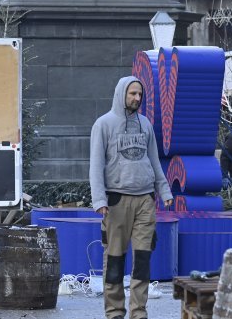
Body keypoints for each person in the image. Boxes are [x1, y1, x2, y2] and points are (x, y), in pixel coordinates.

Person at [89, 76, 173, 319]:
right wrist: (99, 200)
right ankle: (115, 313)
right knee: (114, 262)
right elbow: (96, 165)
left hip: (145, 201)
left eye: (139, 94)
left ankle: (139, 314)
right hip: (115, 202)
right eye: (132, 94)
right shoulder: (103, 124)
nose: (137, 98)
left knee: (143, 262)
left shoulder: (145, 124)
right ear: (121, 94)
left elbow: (154, 160)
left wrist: (164, 191)